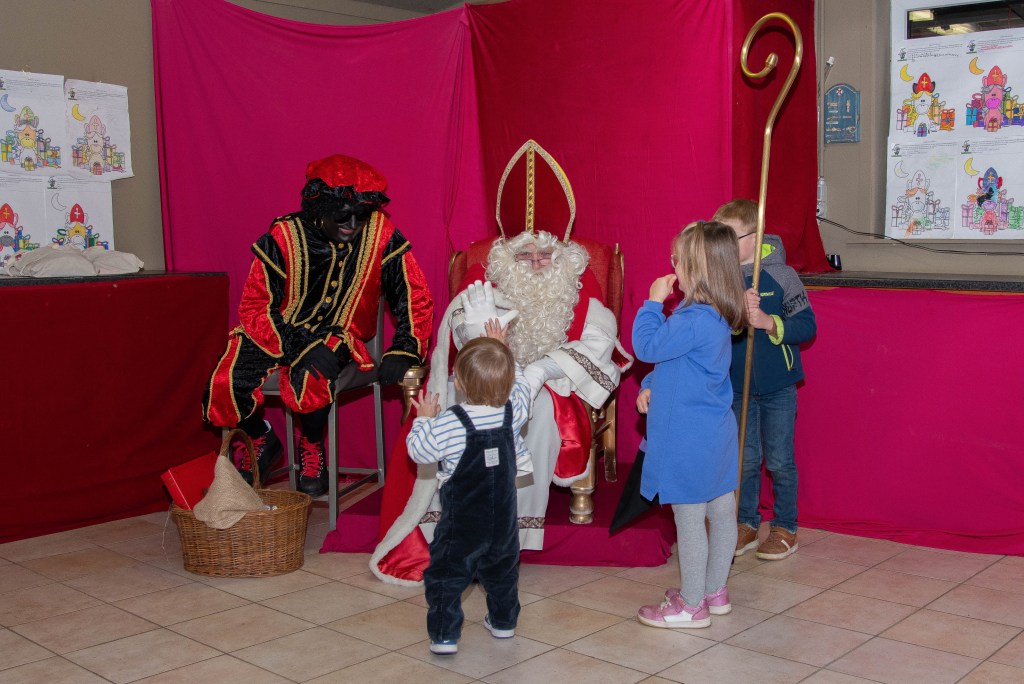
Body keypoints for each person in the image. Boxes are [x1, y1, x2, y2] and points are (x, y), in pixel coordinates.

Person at [372, 228, 632, 584]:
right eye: (525, 256)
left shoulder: (584, 297)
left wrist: (541, 369)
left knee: (538, 407)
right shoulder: (485, 291)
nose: (536, 264)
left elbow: (598, 344)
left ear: (562, 258)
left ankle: (511, 532)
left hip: (549, 383)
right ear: (509, 260)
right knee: (448, 398)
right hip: (483, 375)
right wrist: (477, 330)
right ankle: (440, 528)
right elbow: (460, 332)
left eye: (545, 255)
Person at [202, 154, 433, 496]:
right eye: (342, 215)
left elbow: (414, 295)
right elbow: (255, 305)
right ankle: (261, 438)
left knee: (313, 375)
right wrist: (297, 344)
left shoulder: (381, 234)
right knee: (224, 381)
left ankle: (311, 444)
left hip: (339, 335)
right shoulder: (284, 235)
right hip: (279, 331)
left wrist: (405, 347)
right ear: (319, 208)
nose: (352, 224)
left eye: (360, 215)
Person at [632, 220, 747, 628]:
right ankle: (714, 590)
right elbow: (678, 363)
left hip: (687, 438)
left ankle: (692, 605)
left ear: (696, 269)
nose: (672, 266)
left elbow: (647, 346)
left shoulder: (689, 318)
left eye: (677, 260)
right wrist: (650, 385)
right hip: (715, 434)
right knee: (722, 511)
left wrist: (651, 304)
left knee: (689, 519)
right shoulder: (713, 315)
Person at [408, 321, 531, 655]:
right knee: (502, 570)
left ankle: (444, 635)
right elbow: (521, 385)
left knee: (447, 574)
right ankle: (504, 622)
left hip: (462, 523)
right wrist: (503, 349)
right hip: (503, 520)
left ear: (459, 384)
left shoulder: (451, 421)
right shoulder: (513, 411)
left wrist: (424, 419)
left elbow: (420, 451)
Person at [712, 199, 817, 561]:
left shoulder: (782, 276)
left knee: (779, 460)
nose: (724, 246)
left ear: (755, 238)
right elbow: (709, 331)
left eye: (732, 237)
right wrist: (735, 315)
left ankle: (786, 527)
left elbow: (807, 326)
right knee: (744, 459)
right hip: (735, 387)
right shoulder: (719, 279)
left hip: (778, 388)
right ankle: (746, 523)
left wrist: (769, 322)